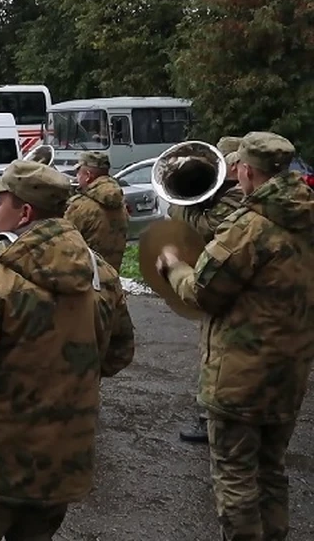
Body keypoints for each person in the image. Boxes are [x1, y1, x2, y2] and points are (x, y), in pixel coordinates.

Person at [0, 159, 115, 540]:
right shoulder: (100, 273)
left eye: (0, 200)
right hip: (58, 464)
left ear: (25, 212)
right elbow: (116, 355)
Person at [157, 132, 314, 541]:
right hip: (291, 370)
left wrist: (173, 266)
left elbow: (202, 293)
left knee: (235, 475)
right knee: (271, 470)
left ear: (245, 169)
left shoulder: (247, 228)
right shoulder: (307, 216)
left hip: (240, 374)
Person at [168, 135, 245, 445]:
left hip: (224, 287)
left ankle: (213, 419)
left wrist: (178, 207)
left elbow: (206, 227)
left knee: (221, 355)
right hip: (221, 281)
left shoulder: (236, 198)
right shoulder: (228, 195)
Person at [65, 150, 128, 270]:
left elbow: (63, 243)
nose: (77, 177)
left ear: (88, 176)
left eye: (79, 172)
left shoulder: (80, 205)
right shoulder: (119, 202)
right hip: (111, 274)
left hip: (85, 277)